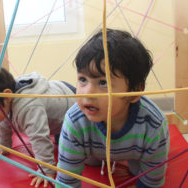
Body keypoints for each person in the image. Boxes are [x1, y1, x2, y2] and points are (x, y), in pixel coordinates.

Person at [56, 29, 169, 188]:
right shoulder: (75, 122)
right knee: (90, 162)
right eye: (82, 80)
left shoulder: (153, 124)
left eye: (103, 83)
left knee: (139, 172)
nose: (88, 94)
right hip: (95, 151)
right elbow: (67, 180)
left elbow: (153, 180)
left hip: (135, 153)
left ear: (133, 92)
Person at [0, 62, 76, 188]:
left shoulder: (28, 107)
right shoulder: (5, 101)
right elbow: (4, 122)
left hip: (71, 104)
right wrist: (5, 146)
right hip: (58, 92)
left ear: (7, 96)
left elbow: (39, 138)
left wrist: (46, 170)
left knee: (68, 145)